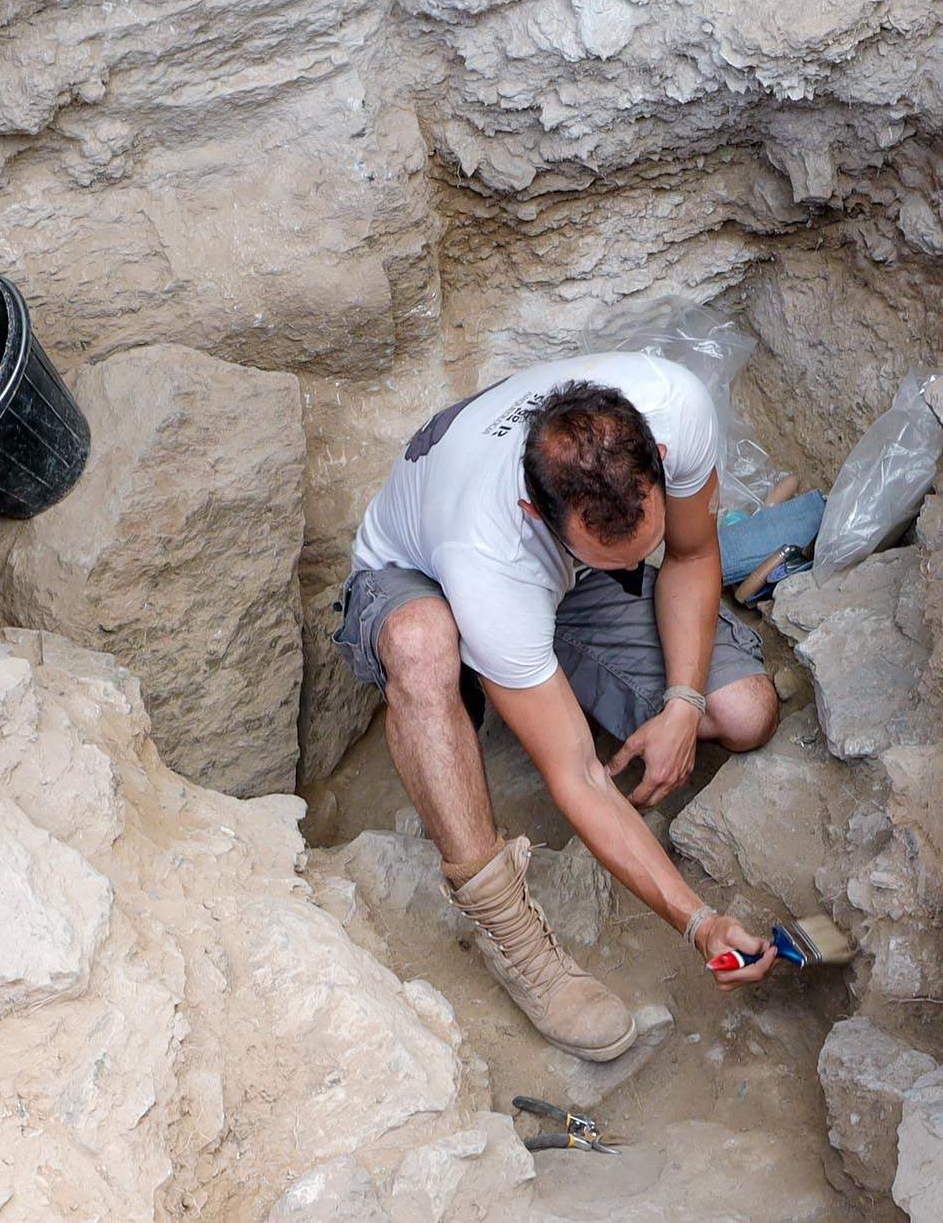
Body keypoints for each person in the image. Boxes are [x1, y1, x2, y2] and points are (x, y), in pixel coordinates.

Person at [332, 349, 786, 1052]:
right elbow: (575, 775)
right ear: (534, 512)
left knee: (745, 710)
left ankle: (522, 660)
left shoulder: (675, 405)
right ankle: (512, 938)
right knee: (423, 645)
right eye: (617, 563)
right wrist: (698, 921)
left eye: (644, 546)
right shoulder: (487, 554)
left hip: (553, 583)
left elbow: (692, 557)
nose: (638, 570)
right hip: (421, 572)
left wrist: (685, 703)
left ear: (658, 456)